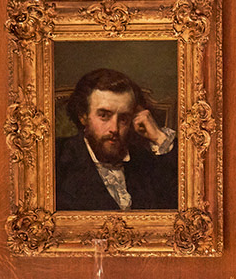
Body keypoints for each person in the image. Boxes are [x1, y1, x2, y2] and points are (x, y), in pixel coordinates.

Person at [53, 67, 179, 211]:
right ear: (83, 116)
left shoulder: (146, 163)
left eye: (124, 118)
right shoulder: (57, 159)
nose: (114, 128)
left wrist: (159, 137)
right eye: (104, 116)